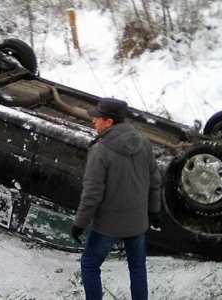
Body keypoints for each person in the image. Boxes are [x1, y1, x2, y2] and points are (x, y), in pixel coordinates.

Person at [71, 97, 162, 300]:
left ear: (109, 122)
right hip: (137, 222)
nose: (94, 121)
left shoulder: (100, 150)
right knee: (137, 268)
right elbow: (155, 180)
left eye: (98, 118)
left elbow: (92, 193)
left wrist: (79, 223)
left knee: (89, 264)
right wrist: (154, 211)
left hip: (108, 226)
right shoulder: (144, 142)